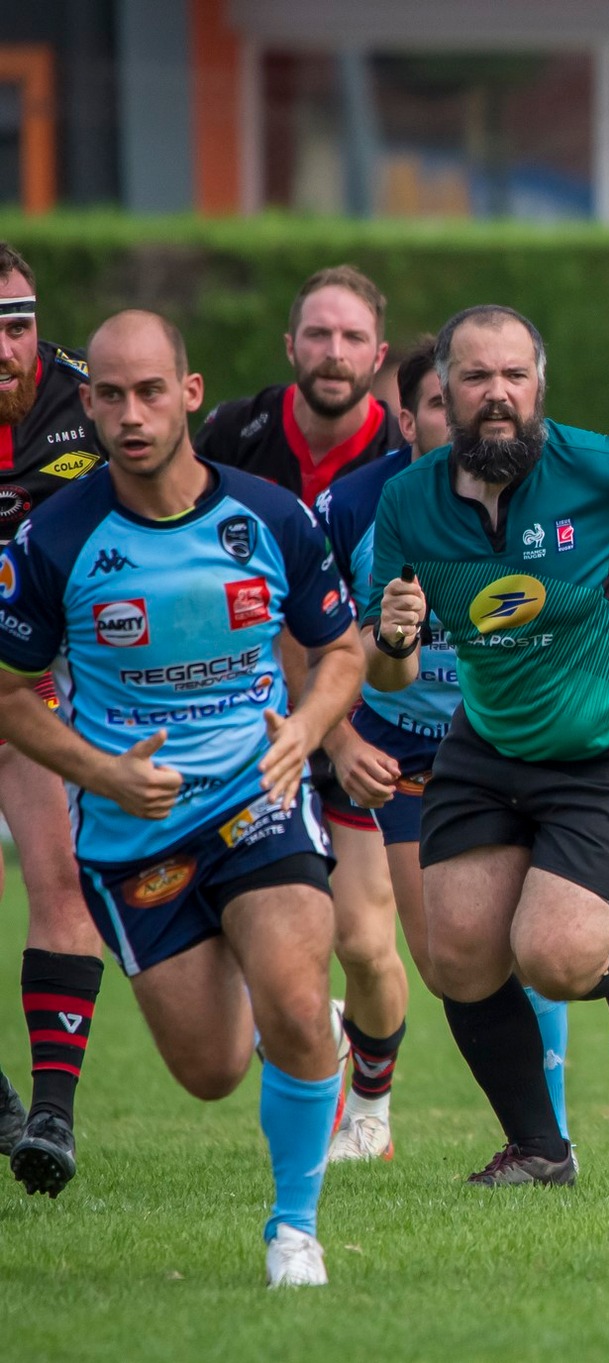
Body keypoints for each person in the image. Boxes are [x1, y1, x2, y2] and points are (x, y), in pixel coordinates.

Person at [0, 310, 363, 1285]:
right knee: (209, 1070)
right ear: (86, 403)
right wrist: (98, 771)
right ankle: (277, 1003)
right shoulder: (56, 539)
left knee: (293, 994)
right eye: (110, 395)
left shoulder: (268, 518)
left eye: (150, 390)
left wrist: (306, 725)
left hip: (258, 796)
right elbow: (5, 693)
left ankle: (294, 1230)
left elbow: (341, 649)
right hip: (132, 831)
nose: (131, 412)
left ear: (189, 394)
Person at [364, 305, 609, 1185]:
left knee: (556, 954)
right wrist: (391, 643)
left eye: (514, 376)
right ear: (445, 395)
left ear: (540, 386)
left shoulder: (604, 467)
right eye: (475, 379)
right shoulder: (406, 503)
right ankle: (539, 1150)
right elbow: (382, 675)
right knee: (455, 955)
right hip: (489, 745)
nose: (496, 395)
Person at [314, 337, 572, 1161]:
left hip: (510, 749)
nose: (457, 411)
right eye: (435, 401)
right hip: (398, 757)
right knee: (436, 959)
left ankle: (548, 1131)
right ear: (409, 415)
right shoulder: (357, 506)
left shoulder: (540, 492)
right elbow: (305, 637)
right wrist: (343, 736)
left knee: (533, 940)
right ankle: (371, 1097)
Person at [196, 265, 411, 1165]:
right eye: (318, 335)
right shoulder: (234, 436)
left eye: (352, 338)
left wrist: (346, 730)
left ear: (379, 355)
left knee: (366, 944)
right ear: (291, 347)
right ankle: (304, 1036)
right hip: (248, 723)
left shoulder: (397, 463)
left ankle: (373, 1106)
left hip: (350, 716)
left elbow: (363, 627)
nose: (334, 353)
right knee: (250, 928)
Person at [0, 243, 113, 1197]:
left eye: (18, 323)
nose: (6, 347)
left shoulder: (87, 403)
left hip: (38, 689)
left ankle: (52, 1118)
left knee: (62, 879)